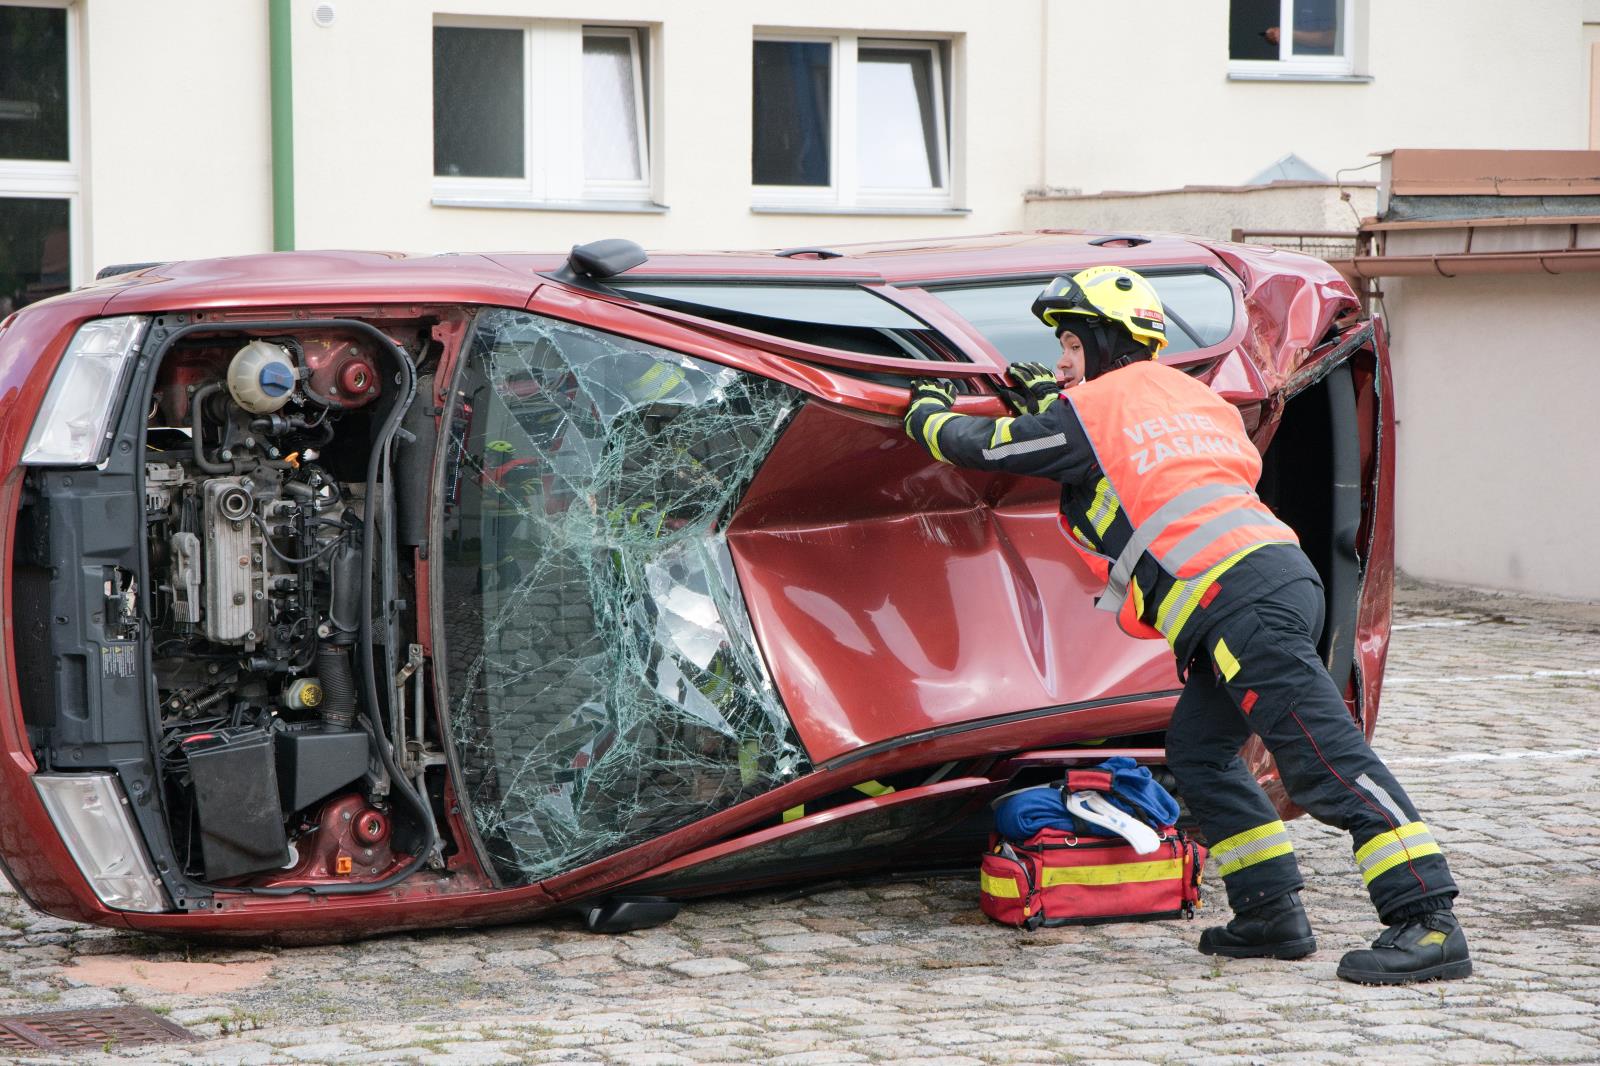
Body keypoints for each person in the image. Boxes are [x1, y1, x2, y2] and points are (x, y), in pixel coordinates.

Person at [902, 266, 1470, 985]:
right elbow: (1125, 460)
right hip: (1274, 582)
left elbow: (989, 447)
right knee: (1200, 752)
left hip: (1237, 602)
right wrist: (1053, 404)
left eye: (1071, 347)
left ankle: (1427, 919)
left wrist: (926, 412)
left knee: (1326, 759)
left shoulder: (1096, 408)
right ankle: (1270, 913)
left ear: (1106, 344)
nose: (1061, 364)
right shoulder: (1189, 398)